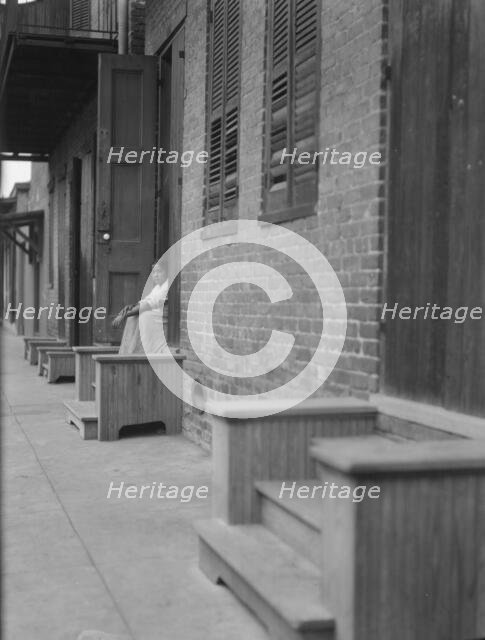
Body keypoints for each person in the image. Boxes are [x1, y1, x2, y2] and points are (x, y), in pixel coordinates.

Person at [112, 261, 169, 354]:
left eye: (159, 271)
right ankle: (126, 352)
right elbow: (144, 302)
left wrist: (124, 315)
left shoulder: (167, 286)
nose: (156, 275)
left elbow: (148, 305)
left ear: (166, 272)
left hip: (163, 317)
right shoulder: (157, 287)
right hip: (155, 314)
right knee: (132, 317)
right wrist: (130, 307)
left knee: (143, 316)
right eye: (153, 272)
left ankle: (138, 352)